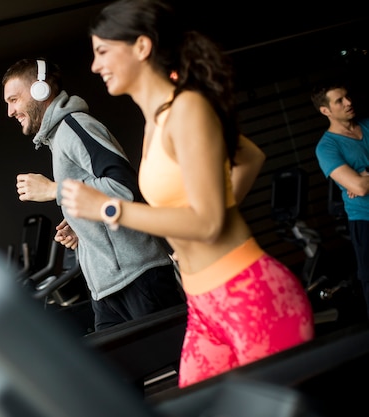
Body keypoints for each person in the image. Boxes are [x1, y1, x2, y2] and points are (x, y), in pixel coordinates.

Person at [59, 0, 314, 388]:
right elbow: (249, 157)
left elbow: (208, 221)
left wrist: (109, 208)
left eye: (103, 51)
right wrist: (210, 212)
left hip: (248, 294)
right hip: (203, 305)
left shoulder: (188, 108)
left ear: (142, 48)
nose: (94, 65)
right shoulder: (156, 121)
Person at [2, 58, 186, 332]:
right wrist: (83, 227)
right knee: (115, 374)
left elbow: (124, 187)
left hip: (139, 277)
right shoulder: (58, 137)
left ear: (41, 90)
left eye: (14, 99)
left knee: (186, 368)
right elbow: (101, 196)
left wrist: (54, 190)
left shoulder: (76, 127)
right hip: (105, 289)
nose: (10, 111)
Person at [312, 80, 369, 318]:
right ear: (325, 111)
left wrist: (364, 174)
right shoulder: (326, 148)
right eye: (339, 101)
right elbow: (359, 187)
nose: (349, 102)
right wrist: (359, 181)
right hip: (365, 220)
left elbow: (360, 183)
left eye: (347, 97)